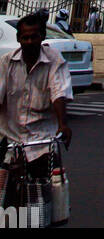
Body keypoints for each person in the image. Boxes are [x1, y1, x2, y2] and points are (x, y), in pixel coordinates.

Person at [0, 11, 73, 206]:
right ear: (18, 39)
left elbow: (59, 92)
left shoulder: (54, 60)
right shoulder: (6, 63)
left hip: (41, 144)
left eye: (34, 36)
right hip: (9, 140)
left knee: (40, 204)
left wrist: (62, 124)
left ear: (42, 37)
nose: (30, 41)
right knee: (4, 201)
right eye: (25, 37)